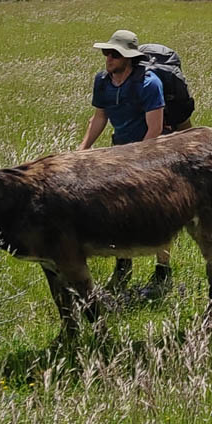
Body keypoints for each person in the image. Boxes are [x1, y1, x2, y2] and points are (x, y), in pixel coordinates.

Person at [83, 29, 171, 298]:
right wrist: (82, 150)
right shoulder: (103, 81)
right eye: (106, 53)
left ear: (129, 58)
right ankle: (123, 267)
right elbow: (100, 117)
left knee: (158, 214)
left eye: (114, 54)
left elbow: (154, 129)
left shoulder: (149, 84)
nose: (108, 58)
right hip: (119, 154)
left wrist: (136, 159)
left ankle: (163, 272)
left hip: (150, 154)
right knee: (119, 213)